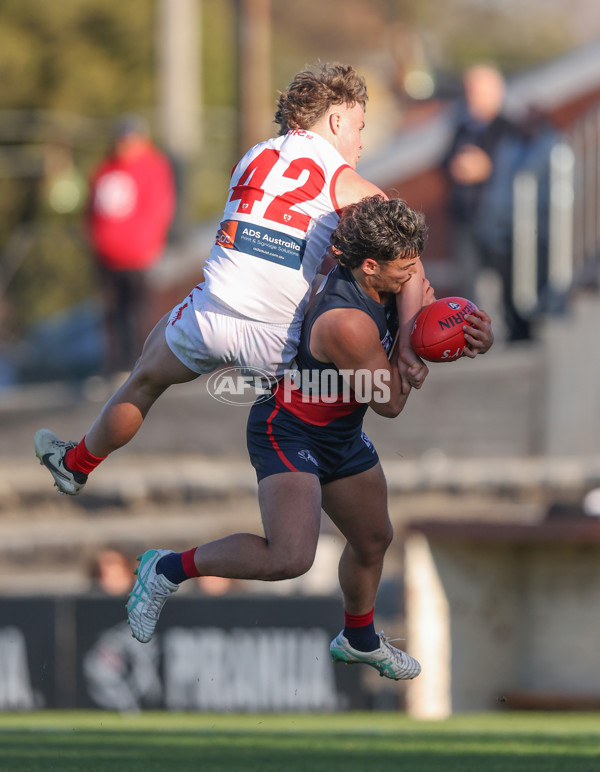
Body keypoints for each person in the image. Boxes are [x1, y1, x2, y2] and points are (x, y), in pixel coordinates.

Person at [126, 196, 494, 680]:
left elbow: (417, 299)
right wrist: (419, 349)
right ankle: (167, 569)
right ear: (369, 266)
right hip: (289, 428)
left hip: (339, 430)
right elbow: (391, 404)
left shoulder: (389, 270)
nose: (414, 275)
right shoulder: (345, 323)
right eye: (403, 267)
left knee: (373, 538)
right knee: (291, 556)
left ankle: (359, 639)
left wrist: (463, 339)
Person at [34, 63, 429, 496]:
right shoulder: (346, 182)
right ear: (336, 121)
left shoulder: (252, 155)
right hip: (279, 343)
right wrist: (409, 338)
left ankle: (76, 465)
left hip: (211, 316)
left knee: (143, 380)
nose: (360, 141)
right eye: (359, 126)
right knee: (330, 409)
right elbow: (406, 252)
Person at [442, 63, 529, 341]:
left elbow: (520, 168)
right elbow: (443, 162)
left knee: (509, 278)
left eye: (477, 90)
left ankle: (519, 333)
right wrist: (457, 165)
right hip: (466, 217)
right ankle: (466, 336)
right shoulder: (461, 127)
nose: (471, 96)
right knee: (467, 282)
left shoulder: (510, 128)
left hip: (500, 219)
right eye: (468, 90)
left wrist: (486, 167)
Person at [87, 114, 176, 372]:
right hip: (107, 256)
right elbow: (91, 209)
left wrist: (150, 244)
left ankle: (146, 365)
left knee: (142, 312)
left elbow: (160, 207)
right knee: (114, 314)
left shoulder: (153, 166)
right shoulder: (104, 168)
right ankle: (117, 367)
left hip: (139, 256)